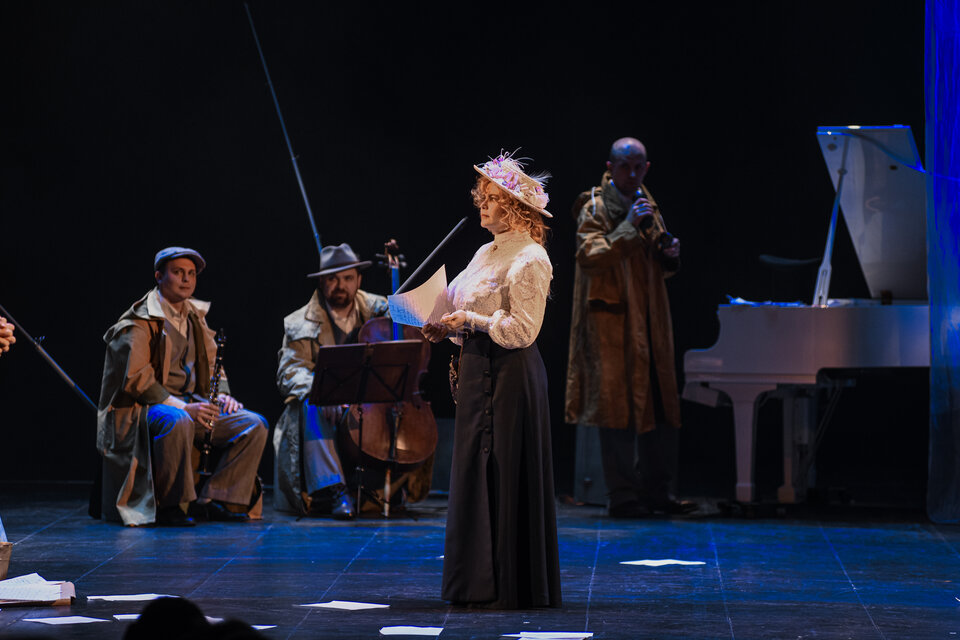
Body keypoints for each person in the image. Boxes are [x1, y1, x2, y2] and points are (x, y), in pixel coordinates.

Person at [422, 153, 561, 609]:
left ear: (515, 207)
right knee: (473, 473)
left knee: (504, 470)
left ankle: (511, 585)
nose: (482, 204)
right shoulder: (486, 252)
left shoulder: (531, 257)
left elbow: (523, 331)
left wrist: (471, 321)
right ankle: (474, 583)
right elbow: (457, 302)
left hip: (510, 375)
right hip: (477, 369)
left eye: (492, 198)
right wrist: (443, 324)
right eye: (481, 196)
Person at [565, 137, 693, 518]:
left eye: (639, 167)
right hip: (613, 327)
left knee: (659, 405)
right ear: (610, 167)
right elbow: (588, 254)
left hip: (650, 323)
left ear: (647, 168)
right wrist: (627, 227)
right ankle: (622, 496)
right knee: (617, 411)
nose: (633, 174)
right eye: (625, 166)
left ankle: (658, 492)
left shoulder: (647, 205)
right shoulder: (595, 206)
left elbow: (653, 262)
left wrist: (669, 255)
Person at [97, 247, 268, 527]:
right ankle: (172, 505)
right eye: (178, 272)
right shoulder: (140, 320)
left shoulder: (194, 316)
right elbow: (136, 378)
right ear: (159, 276)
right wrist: (183, 407)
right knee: (178, 420)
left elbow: (212, 362)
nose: (186, 279)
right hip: (145, 409)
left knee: (253, 424)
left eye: (191, 274)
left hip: (190, 402)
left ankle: (215, 499)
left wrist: (223, 395)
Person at [274, 243, 389, 519]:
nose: (341, 285)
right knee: (310, 404)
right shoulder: (299, 321)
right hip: (325, 409)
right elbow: (289, 372)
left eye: (348, 278)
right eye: (332, 279)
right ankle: (335, 489)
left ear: (359, 280)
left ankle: (385, 486)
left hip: (365, 403)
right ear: (321, 283)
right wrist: (323, 392)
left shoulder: (380, 309)